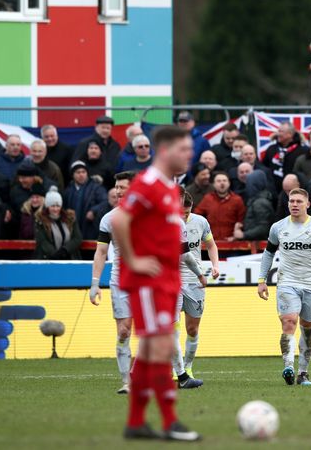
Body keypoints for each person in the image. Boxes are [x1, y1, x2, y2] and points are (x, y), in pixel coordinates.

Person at [109, 125, 202, 441]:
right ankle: (169, 421)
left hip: (166, 280)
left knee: (151, 349)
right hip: (148, 282)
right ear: (164, 151)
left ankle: (136, 423)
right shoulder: (148, 183)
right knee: (161, 346)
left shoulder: (168, 187)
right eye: (183, 149)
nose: (189, 155)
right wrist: (133, 260)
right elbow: (119, 219)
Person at [257, 189, 311, 386]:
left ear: (307, 204)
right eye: (291, 201)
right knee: (289, 321)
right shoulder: (278, 227)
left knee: (307, 328)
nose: (294, 204)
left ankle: (303, 373)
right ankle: (288, 366)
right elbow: (268, 253)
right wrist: (262, 279)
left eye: (299, 201)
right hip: (287, 282)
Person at [89, 171, 137, 394]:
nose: (118, 191)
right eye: (116, 187)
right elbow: (100, 252)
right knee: (124, 331)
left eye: (122, 187)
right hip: (121, 281)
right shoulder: (109, 219)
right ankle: (126, 381)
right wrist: (94, 283)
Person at [171, 189, 220, 383]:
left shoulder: (200, 222)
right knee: (172, 328)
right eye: (180, 212)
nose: (183, 216)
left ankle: (188, 367)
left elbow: (211, 245)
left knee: (192, 329)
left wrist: (215, 265)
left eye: (187, 212)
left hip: (194, 283)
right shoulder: (168, 223)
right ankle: (177, 369)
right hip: (173, 281)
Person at [193, 171, 245, 241]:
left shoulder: (237, 200)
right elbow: (196, 216)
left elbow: (242, 220)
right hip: (212, 241)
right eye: (218, 181)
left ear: (229, 183)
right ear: (213, 184)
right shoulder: (208, 199)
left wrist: (237, 234)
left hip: (231, 241)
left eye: (224, 180)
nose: (222, 183)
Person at [63, 161, 107, 240]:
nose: (81, 175)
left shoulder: (96, 187)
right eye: (78, 172)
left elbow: (105, 202)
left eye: (83, 172)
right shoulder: (68, 190)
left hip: (90, 228)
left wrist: (93, 211)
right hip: (73, 229)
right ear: (72, 175)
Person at [33, 190, 82, 260]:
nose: (55, 209)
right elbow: (42, 240)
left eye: (58, 206)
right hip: (49, 258)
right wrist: (55, 254)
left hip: (69, 257)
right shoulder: (40, 220)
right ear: (47, 206)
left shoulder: (70, 219)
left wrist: (65, 250)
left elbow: (77, 238)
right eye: (52, 206)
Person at [260, 122, 307, 191]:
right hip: (272, 190)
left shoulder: (302, 151)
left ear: (290, 134)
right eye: (278, 131)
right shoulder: (272, 149)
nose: (278, 134)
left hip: (293, 191)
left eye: (281, 131)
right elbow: (264, 167)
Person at [235, 170, 274, 241]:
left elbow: (264, 227)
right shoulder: (255, 200)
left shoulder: (260, 203)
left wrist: (244, 235)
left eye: (249, 183)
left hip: (259, 243)